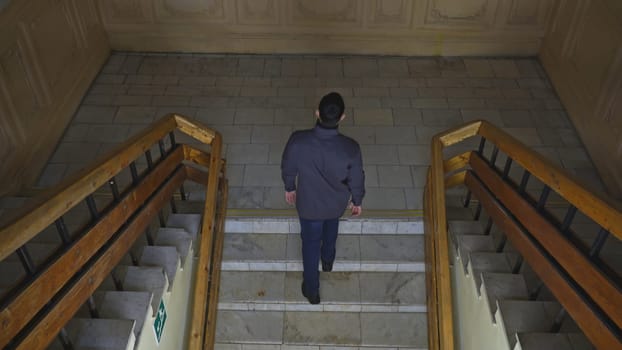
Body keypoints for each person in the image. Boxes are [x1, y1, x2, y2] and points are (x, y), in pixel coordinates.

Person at [281, 92, 365, 304]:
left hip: (309, 206)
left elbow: (288, 166)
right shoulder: (351, 148)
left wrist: (290, 187)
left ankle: (312, 290)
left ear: (317, 113)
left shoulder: (298, 141)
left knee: (309, 245)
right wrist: (357, 200)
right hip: (335, 204)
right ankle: (328, 260)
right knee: (331, 227)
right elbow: (357, 178)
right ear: (342, 117)